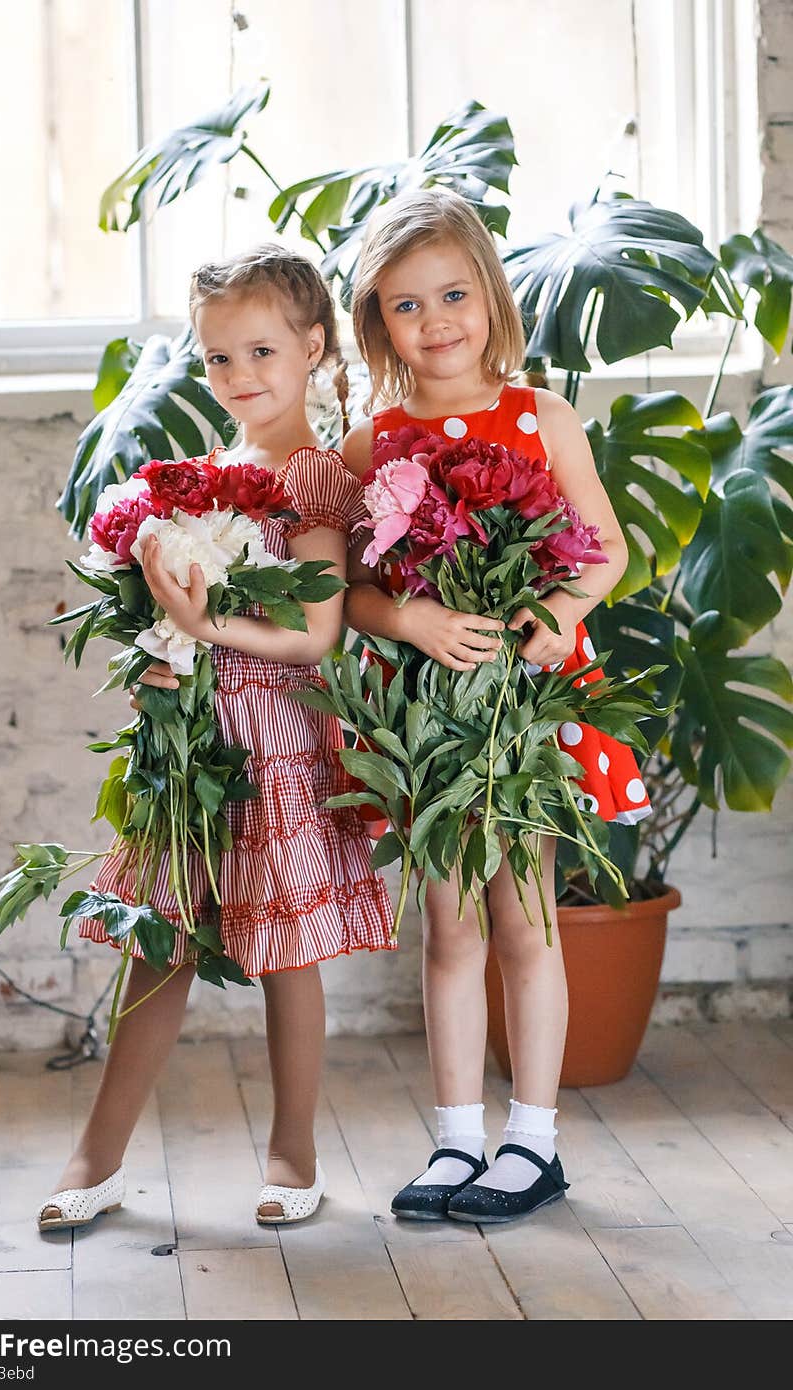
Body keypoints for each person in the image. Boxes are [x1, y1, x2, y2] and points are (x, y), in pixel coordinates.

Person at [38, 245, 395, 1233]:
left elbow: (318, 627)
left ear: (314, 347)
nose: (239, 377)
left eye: (261, 352)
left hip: (278, 732)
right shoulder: (212, 476)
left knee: (283, 950)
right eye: (218, 358)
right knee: (161, 940)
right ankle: (97, 1155)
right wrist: (169, 655)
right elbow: (186, 608)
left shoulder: (315, 475)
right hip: (197, 739)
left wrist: (208, 630)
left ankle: (293, 1151)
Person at [342, 189, 650, 1224]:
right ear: (374, 323)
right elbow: (348, 590)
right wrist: (411, 622)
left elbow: (604, 549)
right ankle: (457, 1139)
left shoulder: (537, 415)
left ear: (490, 296)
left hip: (522, 712)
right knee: (449, 928)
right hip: (431, 719)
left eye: (452, 295)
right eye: (403, 306)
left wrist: (557, 612)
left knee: (525, 921)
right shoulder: (371, 439)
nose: (434, 323)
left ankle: (535, 1141)